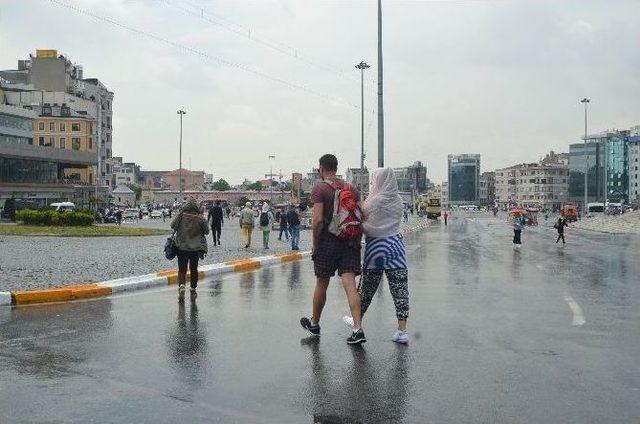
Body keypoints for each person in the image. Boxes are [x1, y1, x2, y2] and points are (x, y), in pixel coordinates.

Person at [300, 154, 366, 344]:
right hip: (350, 241)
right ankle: (357, 329)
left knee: (322, 282)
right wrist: (357, 237)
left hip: (328, 242)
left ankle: (315, 323)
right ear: (336, 168)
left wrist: (315, 244)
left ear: (321, 168)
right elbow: (364, 214)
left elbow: (318, 220)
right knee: (350, 285)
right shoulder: (351, 188)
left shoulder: (320, 188)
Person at [343, 168, 410, 344]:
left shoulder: (374, 201)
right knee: (400, 290)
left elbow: (360, 216)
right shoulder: (398, 200)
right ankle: (402, 331)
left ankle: (357, 321)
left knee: (366, 289)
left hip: (376, 248)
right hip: (396, 247)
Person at [171, 198, 209, 293]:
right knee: (193, 268)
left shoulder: (180, 216)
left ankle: (182, 285)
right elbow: (207, 231)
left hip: (181, 247)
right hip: (195, 248)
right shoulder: (200, 218)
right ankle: (193, 287)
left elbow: (172, 226)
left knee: (182, 269)